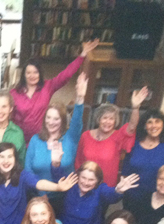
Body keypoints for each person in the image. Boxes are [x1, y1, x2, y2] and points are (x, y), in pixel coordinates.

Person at [10, 39, 99, 143]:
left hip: (41, 140)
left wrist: (82, 55)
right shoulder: (14, 93)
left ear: (40, 74)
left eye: (35, 72)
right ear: (23, 75)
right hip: (19, 140)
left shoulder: (48, 86)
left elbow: (65, 75)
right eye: (28, 73)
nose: (32, 76)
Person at [25, 72, 87, 212]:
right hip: (38, 197)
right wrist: (42, 194)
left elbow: (77, 121)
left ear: (63, 121)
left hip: (65, 197)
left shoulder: (70, 138)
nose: (51, 122)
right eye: (48, 118)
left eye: (56, 119)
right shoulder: (35, 140)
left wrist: (80, 98)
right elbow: (28, 172)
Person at [74, 87, 148, 187]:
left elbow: (131, 127)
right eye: (104, 118)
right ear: (98, 119)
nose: (107, 122)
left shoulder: (118, 136)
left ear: (115, 121)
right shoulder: (86, 135)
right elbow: (79, 160)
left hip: (105, 186)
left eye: (111, 119)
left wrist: (135, 108)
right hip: (84, 184)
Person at [58, 161, 139, 224]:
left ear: (98, 181)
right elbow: (59, 176)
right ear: (78, 176)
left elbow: (111, 195)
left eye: (91, 180)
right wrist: (56, 163)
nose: (86, 183)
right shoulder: (71, 184)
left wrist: (118, 190)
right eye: (83, 178)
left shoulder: (100, 189)